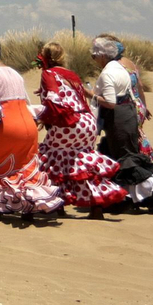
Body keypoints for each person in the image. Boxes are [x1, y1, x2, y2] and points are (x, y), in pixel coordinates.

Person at [0, 35, 63, 220]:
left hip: (8, 126)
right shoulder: (15, 73)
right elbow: (27, 101)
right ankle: (27, 207)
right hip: (27, 124)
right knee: (25, 167)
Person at [33, 42, 126, 218]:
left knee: (51, 160)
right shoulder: (72, 75)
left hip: (68, 121)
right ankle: (96, 206)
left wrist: (44, 118)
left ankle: (56, 205)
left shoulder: (49, 73)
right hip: (86, 121)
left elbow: (53, 98)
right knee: (81, 161)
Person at [91, 36, 153, 214]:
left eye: (95, 56)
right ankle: (120, 200)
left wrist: (90, 94)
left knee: (128, 162)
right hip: (128, 114)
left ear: (103, 56)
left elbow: (109, 102)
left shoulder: (108, 72)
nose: (93, 60)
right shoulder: (120, 68)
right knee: (115, 158)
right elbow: (136, 89)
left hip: (118, 119)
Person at [121, 50, 153, 178]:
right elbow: (140, 87)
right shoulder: (129, 63)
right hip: (137, 105)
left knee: (134, 143)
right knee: (139, 140)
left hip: (128, 108)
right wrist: (144, 106)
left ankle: (149, 173)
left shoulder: (114, 66)